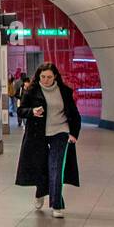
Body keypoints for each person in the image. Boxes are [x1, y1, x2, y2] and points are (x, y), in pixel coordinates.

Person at [15, 62, 81, 218]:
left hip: (60, 132)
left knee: (56, 167)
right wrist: (32, 112)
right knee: (41, 167)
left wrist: (74, 133)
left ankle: (57, 205)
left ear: (55, 77)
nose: (45, 80)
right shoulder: (31, 91)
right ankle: (40, 192)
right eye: (43, 77)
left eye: (49, 77)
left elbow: (74, 114)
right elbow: (20, 110)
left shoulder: (64, 91)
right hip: (38, 135)